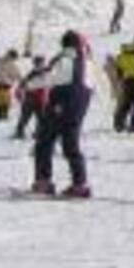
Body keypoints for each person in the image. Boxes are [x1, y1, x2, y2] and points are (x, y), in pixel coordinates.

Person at [31, 30, 93, 197]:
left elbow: (50, 77)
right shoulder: (87, 62)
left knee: (44, 142)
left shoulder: (64, 59)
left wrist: (27, 85)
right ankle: (80, 184)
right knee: (71, 146)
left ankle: (44, 181)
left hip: (60, 105)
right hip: (78, 109)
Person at [14, 56, 48, 140]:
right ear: (35, 64)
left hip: (41, 100)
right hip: (30, 100)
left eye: (42, 63)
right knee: (25, 117)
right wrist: (20, 96)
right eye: (39, 64)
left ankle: (38, 133)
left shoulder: (46, 73)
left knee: (42, 118)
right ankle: (19, 132)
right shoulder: (31, 75)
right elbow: (20, 87)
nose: (41, 65)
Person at [0, 50, 24, 123]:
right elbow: (16, 74)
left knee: (1, 99)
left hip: (0, 83)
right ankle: (3, 115)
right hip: (4, 83)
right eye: (14, 58)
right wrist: (20, 80)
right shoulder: (9, 64)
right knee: (4, 100)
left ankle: (1, 115)